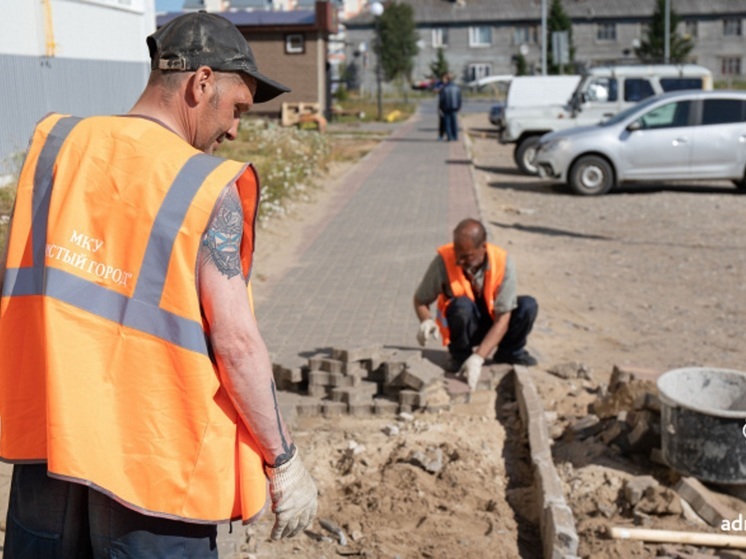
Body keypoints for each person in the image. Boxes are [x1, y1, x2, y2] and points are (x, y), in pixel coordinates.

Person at [0, 12, 317, 558]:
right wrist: (283, 459)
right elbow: (237, 345)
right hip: (153, 468)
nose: (235, 129)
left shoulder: (58, 148)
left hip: (50, 445)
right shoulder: (205, 187)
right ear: (200, 84)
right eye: (236, 108)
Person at [414, 218, 538, 390]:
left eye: (466, 256)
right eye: (457, 254)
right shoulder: (444, 260)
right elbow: (420, 300)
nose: (458, 261)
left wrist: (479, 358)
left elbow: (503, 319)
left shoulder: (502, 262)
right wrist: (426, 320)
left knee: (527, 306)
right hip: (465, 328)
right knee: (461, 306)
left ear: (483, 247)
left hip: (495, 325)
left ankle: (509, 353)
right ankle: (460, 357)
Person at [438, 73, 462, 142]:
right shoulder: (457, 88)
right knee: (454, 122)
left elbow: (442, 99)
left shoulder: (444, 88)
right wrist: (459, 106)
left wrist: (440, 107)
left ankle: (449, 137)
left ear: (447, 79)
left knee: (447, 122)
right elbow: (459, 98)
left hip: (446, 107)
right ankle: (455, 136)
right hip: (454, 107)